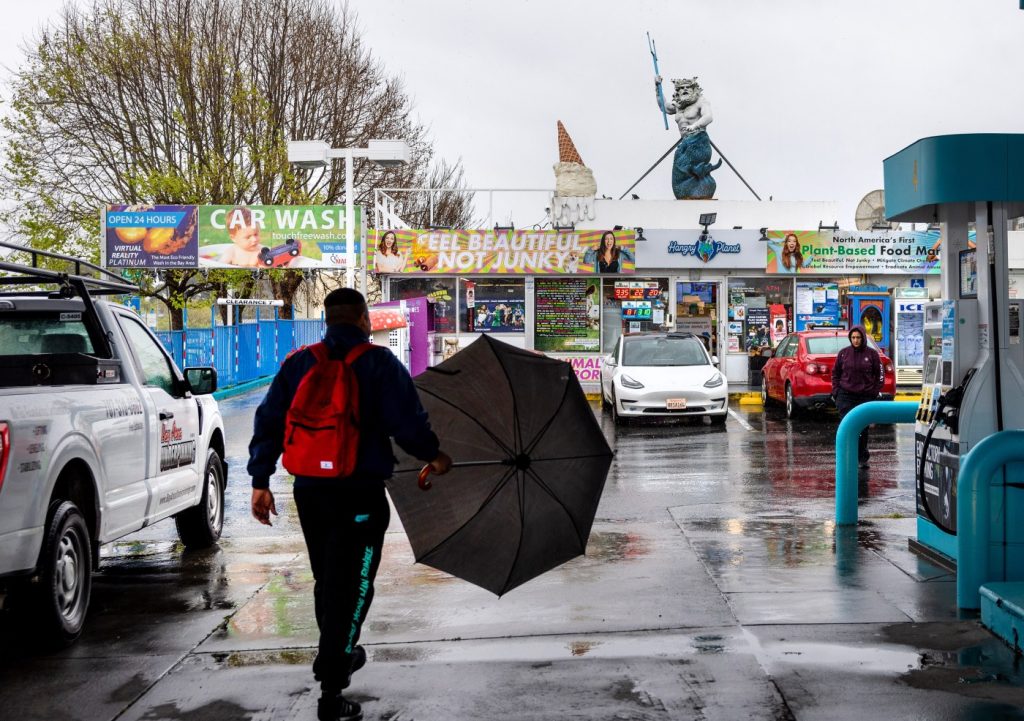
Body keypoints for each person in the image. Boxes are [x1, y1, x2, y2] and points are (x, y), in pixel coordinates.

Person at [248, 288, 452, 721]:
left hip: (310, 490)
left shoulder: (299, 362)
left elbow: (268, 418)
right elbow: (409, 423)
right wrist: (433, 455)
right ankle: (333, 681)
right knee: (356, 585)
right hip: (359, 492)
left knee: (328, 579)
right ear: (363, 319)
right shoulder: (379, 364)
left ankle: (337, 652)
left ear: (326, 320)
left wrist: (260, 480)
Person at [831, 325, 883, 468]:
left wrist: (873, 393)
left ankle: (862, 457)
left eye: (858, 337)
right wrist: (836, 392)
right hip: (845, 396)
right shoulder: (843, 354)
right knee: (846, 427)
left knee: (862, 429)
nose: (855, 340)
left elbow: (879, 376)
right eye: (853, 338)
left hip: (864, 397)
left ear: (863, 338)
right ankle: (846, 455)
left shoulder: (872, 354)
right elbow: (835, 374)